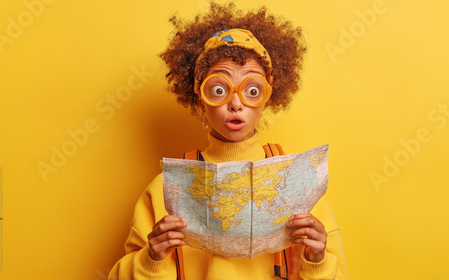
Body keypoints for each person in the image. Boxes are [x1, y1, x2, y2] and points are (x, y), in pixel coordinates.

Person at [109, 2, 348, 279]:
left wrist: (317, 260)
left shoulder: (301, 184)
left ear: (269, 96)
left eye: (252, 89)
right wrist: (152, 258)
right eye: (219, 89)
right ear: (200, 95)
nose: (236, 103)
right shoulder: (164, 190)